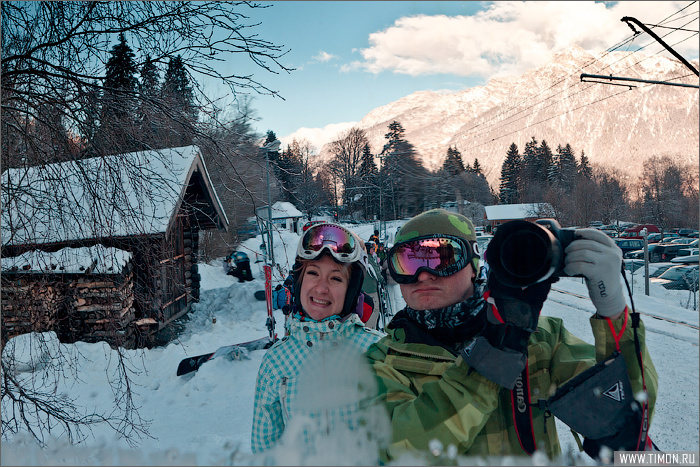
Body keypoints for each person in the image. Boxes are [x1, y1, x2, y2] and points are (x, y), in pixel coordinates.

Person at [366, 208, 658, 462]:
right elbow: (401, 449)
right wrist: (497, 350)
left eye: (442, 258)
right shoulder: (382, 361)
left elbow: (626, 421)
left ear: (473, 265)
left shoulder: (541, 339)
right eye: (408, 262)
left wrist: (613, 311)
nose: (423, 275)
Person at [251, 223, 385, 454]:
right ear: (300, 282)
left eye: (336, 279)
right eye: (313, 273)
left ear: (351, 291)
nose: (322, 288)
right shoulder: (276, 361)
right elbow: (265, 448)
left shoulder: (377, 351)